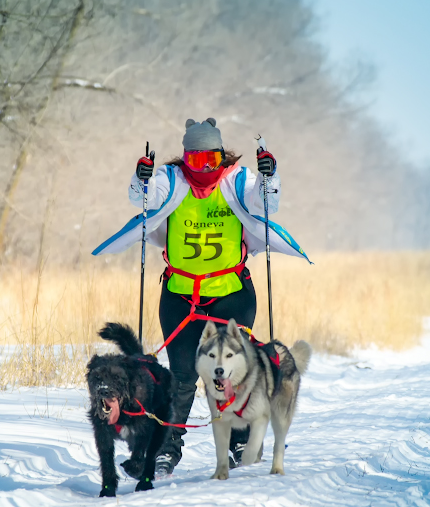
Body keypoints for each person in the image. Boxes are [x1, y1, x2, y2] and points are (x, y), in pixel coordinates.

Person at [93, 118, 310, 476]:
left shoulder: (238, 180)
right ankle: (165, 449)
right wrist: (141, 177)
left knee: (234, 370)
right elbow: (143, 197)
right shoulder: (171, 180)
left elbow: (267, 200)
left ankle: (242, 440)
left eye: (212, 159)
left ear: (222, 156)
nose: (205, 168)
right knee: (180, 375)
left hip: (231, 294)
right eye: (196, 160)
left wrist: (269, 175)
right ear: (185, 158)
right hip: (180, 294)